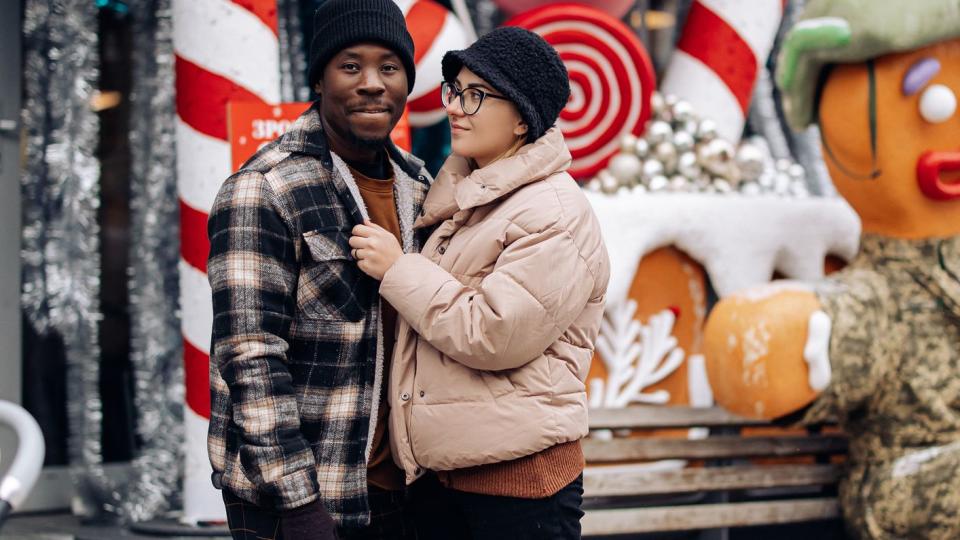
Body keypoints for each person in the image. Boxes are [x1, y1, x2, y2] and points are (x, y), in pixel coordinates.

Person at [349, 26, 610, 539]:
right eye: (455, 90)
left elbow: (496, 331)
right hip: (444, 478)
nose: (456, 107)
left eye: (477, 94)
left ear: (521, 118)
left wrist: (398, 270)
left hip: (517, 485)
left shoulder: (553, 211)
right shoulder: (466, 199)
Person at [205, 0, 432, 538]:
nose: (373, 83)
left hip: (401, 494)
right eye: (350, 66)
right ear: (320, 79)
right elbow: (250, 358)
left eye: (390, 67)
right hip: (304, 503)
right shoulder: (265, 188)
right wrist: (299, 505)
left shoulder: (421, 189)